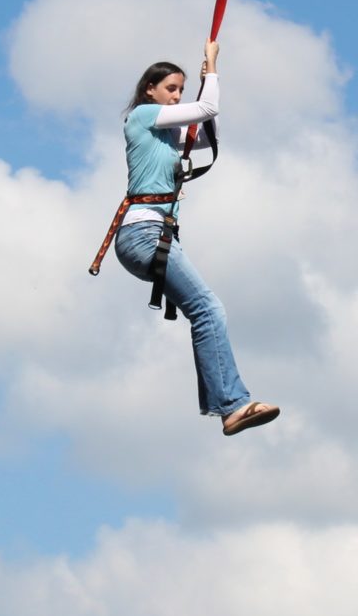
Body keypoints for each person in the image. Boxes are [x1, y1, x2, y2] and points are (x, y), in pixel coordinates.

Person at [113, 40, 279, 436]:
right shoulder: (142, 116)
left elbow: (208, 130)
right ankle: (232, 406)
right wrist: (212, 68)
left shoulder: (168, 136)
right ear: (149, 89)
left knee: (203, 311)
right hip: (142, 231)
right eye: (171, 88)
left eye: (181, 91)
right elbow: (207, 109)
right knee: (209, 309)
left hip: (154, 235)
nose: (176, 96)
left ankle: (228, 407)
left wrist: (207, 82)